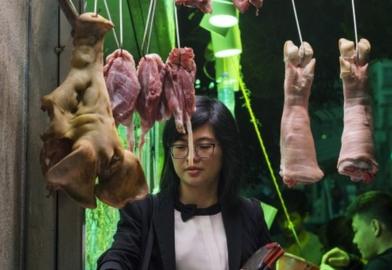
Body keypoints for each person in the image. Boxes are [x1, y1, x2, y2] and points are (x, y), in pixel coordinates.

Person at [97, 96, 271, 270]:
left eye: (203, 147)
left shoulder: (250, 214)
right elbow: (120, 255)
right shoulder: (143, 211)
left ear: (226, 150)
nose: (190, 158)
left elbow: (267, 262)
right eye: (180, 147)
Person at [320, 191, 392, 270]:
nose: (354, 240)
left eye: (356, 231)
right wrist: (351, 262)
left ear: (375, 227)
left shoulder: (380, 266)